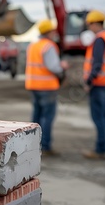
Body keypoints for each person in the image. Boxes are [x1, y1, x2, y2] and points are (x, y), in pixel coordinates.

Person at [25, 19, 68, 156]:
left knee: (36, 116)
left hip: (33, 85)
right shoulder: (48, 46)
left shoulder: (33, 45)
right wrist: (63, 67)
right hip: (47, 86)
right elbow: (53, 67)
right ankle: (46, 146)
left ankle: (33, 145)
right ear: (49, 32)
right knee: (47, 116)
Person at [82, 10, 105, 160]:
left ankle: (101, 150)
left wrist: (89, 81)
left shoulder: (100, 39)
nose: (89, 27)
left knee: (99, 118)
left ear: (96, 23)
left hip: (99, 84)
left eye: (90, 24)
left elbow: (97, 64)